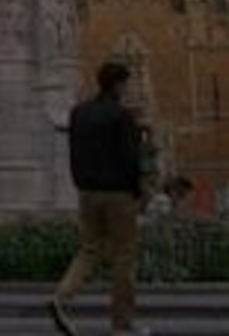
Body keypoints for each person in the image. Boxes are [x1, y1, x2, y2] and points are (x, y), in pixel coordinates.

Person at [48, 61, 144, 336]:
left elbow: (74, 152)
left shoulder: (79, 113)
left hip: (87, 192)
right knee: (124, 256)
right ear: (117, 85)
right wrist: (137, 190)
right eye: (126, 83)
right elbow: (130, 157)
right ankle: (121, 323)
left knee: (89, 249)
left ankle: (61, 297)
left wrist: (81, 182)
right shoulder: (121, 116)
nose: (127, 89)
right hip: (119, 194)